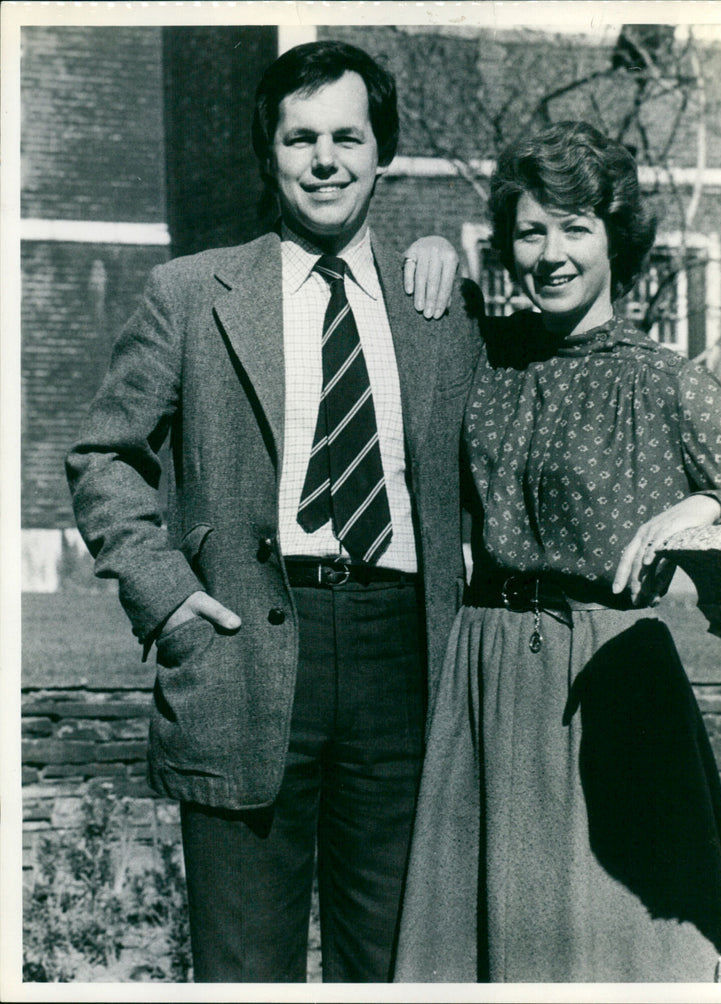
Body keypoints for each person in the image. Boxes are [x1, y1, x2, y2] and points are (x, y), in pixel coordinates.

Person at [66, 40, 476, 983]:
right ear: (270, 153)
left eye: (346, 136)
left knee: (397, 965)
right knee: (244, 969)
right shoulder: (191, 294)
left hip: (403, 660)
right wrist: (167, 596)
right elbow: (104, 456)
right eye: (301, 139)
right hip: (242, 650)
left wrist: (445, 247)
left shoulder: (441, 307)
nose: (325, 159)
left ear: (382, 153)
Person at [393, 121, 721, 983]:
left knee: (610, 948)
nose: (552, 254)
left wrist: (701, 503)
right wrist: (424, 245)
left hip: (611, 681)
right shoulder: (487, 356)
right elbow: (404, 310)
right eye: (531, 231)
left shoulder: (664, 377)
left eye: (576, 228)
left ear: (617, 239)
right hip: (484, 670)